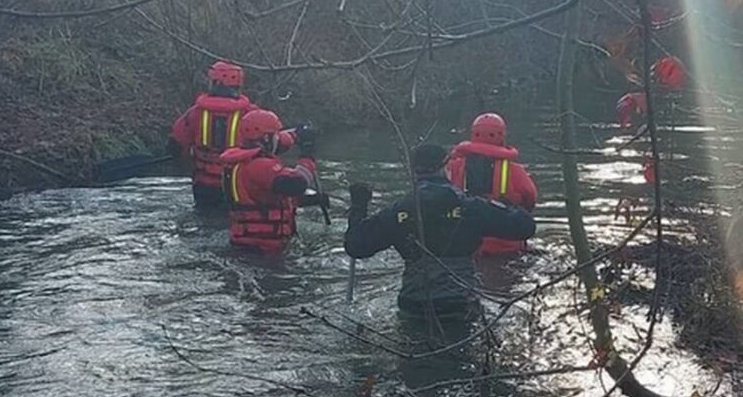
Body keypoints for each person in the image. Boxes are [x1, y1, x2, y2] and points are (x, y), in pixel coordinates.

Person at [345, 144, 536, 316]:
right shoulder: (470, 207)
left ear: (413, 171)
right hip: (459, 304)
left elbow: (356, 246)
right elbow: (525, 227)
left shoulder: (399, 210)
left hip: (413, 306)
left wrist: (358, 208)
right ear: (446, 167)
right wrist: (508, 205)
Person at [168, 61, 294, 206]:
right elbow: (278, 143)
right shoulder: (251, 114)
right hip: (235, 184)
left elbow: (175, 146)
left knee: (204, 215)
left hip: (204, 185)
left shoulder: (195, 113)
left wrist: (190, 162)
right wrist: (293, 136)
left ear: (216, 83)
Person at [219, 109, 324, 254]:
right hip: (264, 250)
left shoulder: (241, 160)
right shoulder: (259, 166)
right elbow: (296, 184)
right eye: (275, 135)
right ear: (266, 138)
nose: (278, 139)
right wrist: (307, 157)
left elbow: (266, 199)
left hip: (247, 243)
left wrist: (309, 200)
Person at [446, 113, 538, 256]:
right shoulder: (515, 170)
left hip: (466, 246)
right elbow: (530, 198)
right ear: (502, 136)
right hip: (506, 246)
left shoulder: (453, 167)